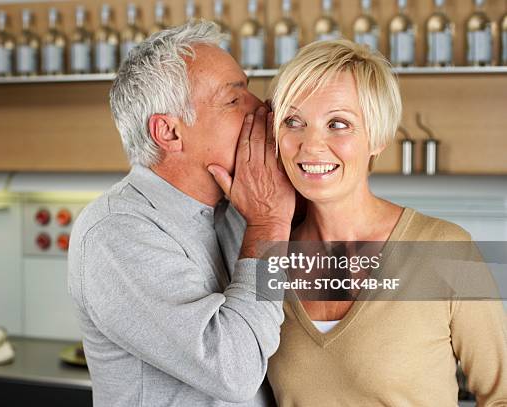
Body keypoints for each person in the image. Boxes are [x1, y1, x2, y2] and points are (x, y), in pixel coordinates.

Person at [264, 38, 507, 406]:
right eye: (293, 121)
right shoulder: (266, 261)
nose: (311, 145)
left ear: (377, 136)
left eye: (338, 124)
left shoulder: (449, 250)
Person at [67, 21, 294, 407]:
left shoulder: (237, 207)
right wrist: (269, 225)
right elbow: (234, 370)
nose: (263, 109)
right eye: (234, 99)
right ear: (168, 133)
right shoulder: (115, 232)